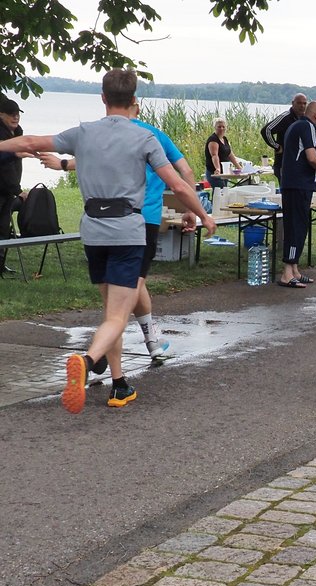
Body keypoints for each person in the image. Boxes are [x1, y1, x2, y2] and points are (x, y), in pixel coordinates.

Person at [0, 69, 216, 413]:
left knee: (109, 312)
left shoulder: (84, 133)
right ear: (134, 101)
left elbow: (28, 143)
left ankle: (119, 383)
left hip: (94, 231)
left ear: (103, 98)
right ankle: (87, 361)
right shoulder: (145, 138)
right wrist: (203, 215)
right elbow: (178, 183)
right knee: (117, 316)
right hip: (128, 231)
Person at [40, 101, 200, 359]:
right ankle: (111, 349)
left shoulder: (104, 133)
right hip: (144, 219)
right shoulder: (152, 135)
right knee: (131, 287)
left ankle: (134, 343)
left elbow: (93, 162)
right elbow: (186, 170)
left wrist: (62, 164)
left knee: (128, 288)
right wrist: (191, 209)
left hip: (106, 220)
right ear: (136, 106)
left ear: (107, 101)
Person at [278, 101, 316, 288]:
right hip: (298, 184)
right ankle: (287, 272)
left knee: (299, 225)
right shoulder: (307, 126)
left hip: (294, 183)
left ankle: (294, 269)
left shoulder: (297, 125)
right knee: (296, 226)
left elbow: (314, 148)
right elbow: (312, 157)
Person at [0, 98, 31, 276]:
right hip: (5, 188)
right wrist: (17, 190)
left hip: (8, 191)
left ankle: (0, 264)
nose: (16, 117)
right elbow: (4, 167)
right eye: (11, 114)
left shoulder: (17, 133)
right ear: (1, 114)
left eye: (17, 114)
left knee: (3, 228)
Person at [261, 93, 308, 184]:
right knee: (287, 191)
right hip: (283, 164)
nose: (302, 106)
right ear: (293, 103)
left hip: (299, 165)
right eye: (299, 103)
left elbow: (312, 139)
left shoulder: (305, 119)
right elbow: (266, 130)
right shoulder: (285, 117)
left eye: (304, 103)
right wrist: (277, 146)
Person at [204, 117, 241, 190]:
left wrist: (238, 167)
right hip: (214, 172)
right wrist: (217, 168)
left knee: (225, 191)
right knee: (220, 191)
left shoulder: (224, 139)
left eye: (223, 127)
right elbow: (214, 155)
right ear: (215, 127)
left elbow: (230, 154)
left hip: (225, 172)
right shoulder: (213, 139)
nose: (221, 129)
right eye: (219, 127)